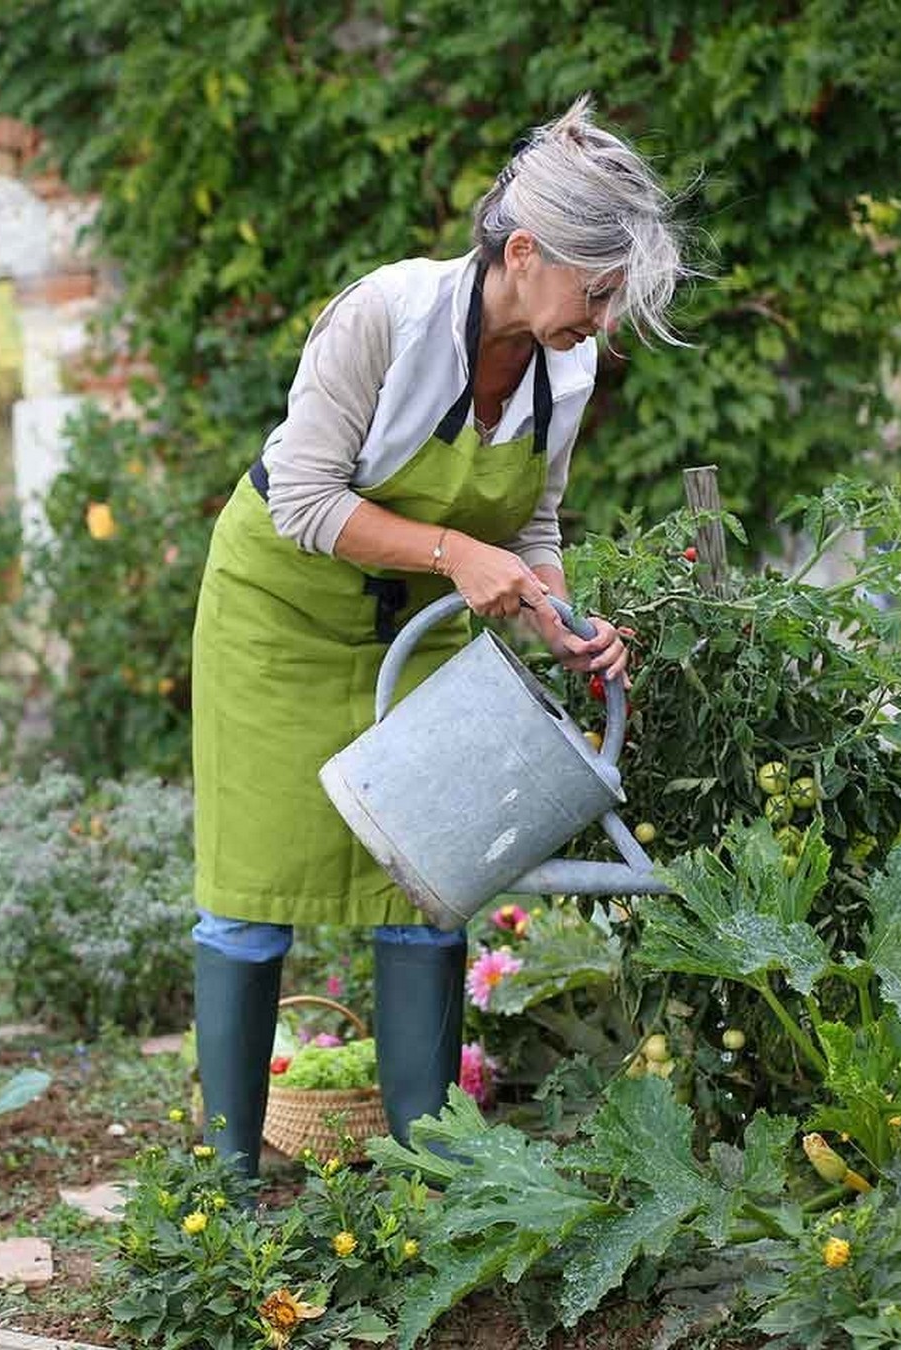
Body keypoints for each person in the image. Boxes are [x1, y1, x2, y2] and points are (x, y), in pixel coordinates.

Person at [189, 94, 689, 1177]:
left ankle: (425, 1176)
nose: (603, 322)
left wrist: (559, 615)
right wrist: (458, 557)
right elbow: (304, 501)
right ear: (524, 252)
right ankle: (226, 1187)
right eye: (597, 292)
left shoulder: (568, 364)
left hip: (415, 633)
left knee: (429, 879)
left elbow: (535, 519)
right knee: (251, 897)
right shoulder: (386, 318)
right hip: (279, 621)